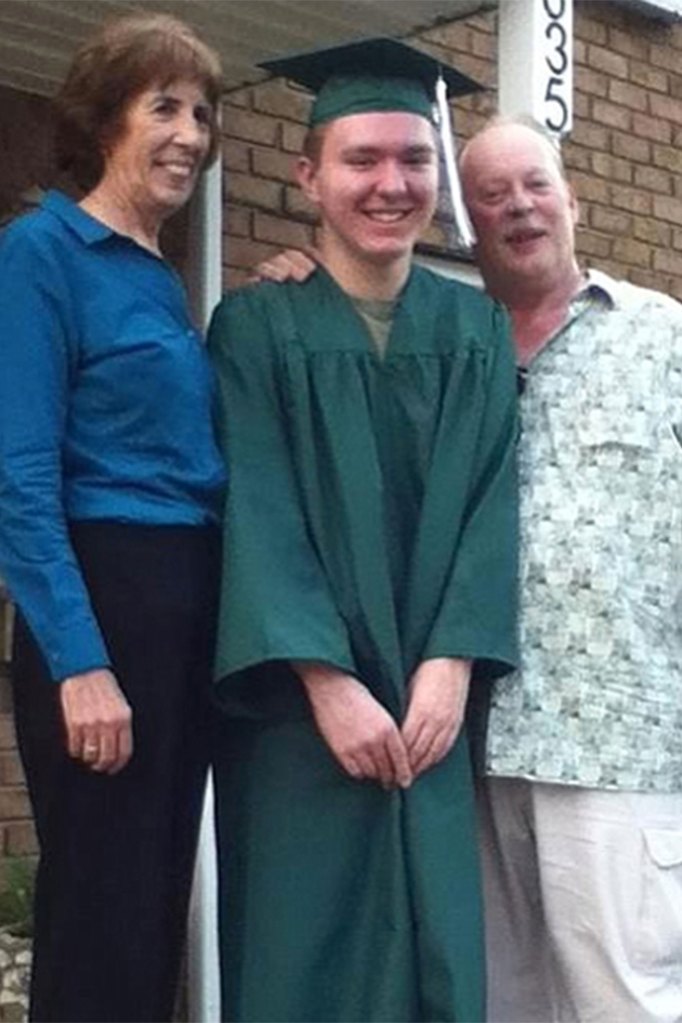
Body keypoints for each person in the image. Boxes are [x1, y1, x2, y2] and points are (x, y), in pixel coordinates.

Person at [208, 38, 519, 1023]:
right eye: (361, 160)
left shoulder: (476, 332)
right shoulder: (254, 330)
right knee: (303, 946)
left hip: (431, 709)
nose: (391, 184)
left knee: (433, 946)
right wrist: (327, 681)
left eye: (413, 160)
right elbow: (255, 508)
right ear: (307, 175)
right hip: (300, 721)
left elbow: (491, 505)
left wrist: (453, 663)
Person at [0, 13, 225, 1022]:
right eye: (163, 107)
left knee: (153, 902)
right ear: (101, 123)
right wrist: (81, 664)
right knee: (99, 907)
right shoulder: (43, 251)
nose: (190, 132)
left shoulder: (154, 272)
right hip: (104, 599)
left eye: (203, 111)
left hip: (184, 601)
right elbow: (19, 478)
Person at [459, 117, 682, 1023]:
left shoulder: (662, 338)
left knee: (623, 1001)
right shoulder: (454, 348)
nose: (518, 205)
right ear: (469, 227)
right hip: (475, 744)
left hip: (619, 738)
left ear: (572, 199)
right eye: (492, 193)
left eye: (535, 184)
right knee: (502, 1000)